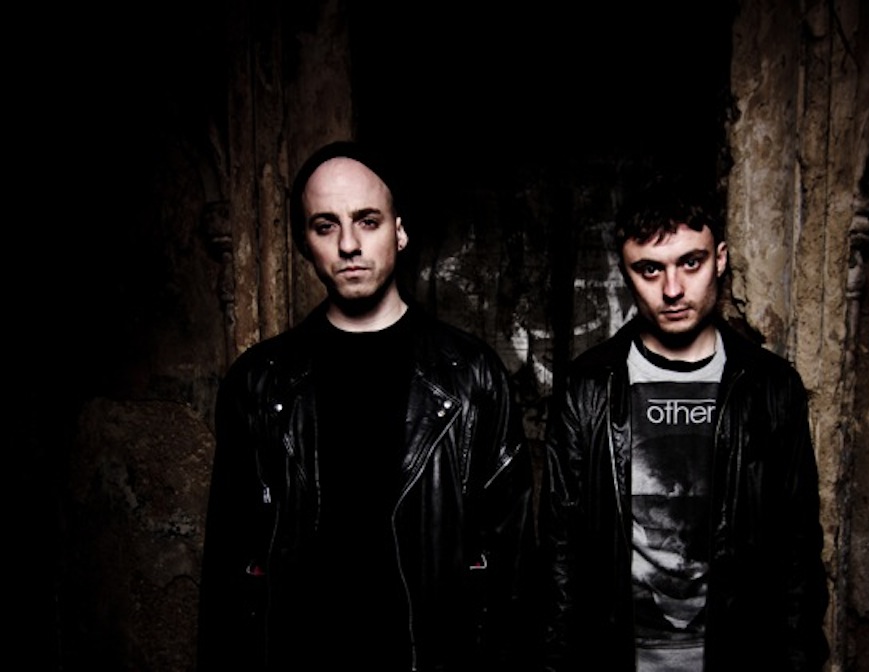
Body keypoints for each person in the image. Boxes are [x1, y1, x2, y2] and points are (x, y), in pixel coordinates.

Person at [197, 141, 537, 671]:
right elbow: (228, 567)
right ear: (305, 244)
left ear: (399, 231)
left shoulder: (472, 376)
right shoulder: (260, 382)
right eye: (325, 226)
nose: (349, 244)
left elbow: (512, 567)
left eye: (367, 221)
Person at [539, 178, 830, 671]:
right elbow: (560, 555)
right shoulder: (587, 387)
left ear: (721, 259)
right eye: (650, 269)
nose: (672, 290)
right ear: (626, 273)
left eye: (690, 263)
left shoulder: (771, 387)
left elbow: (797, 551)